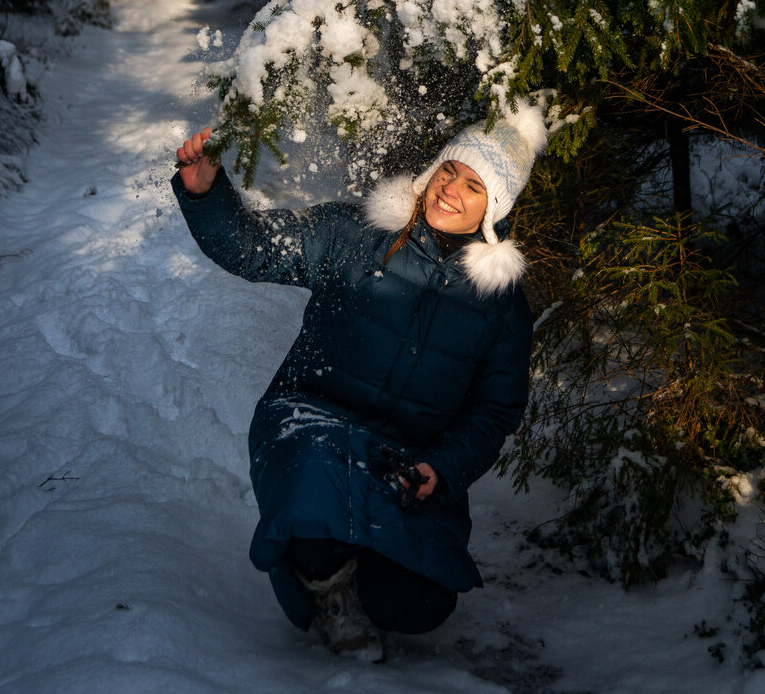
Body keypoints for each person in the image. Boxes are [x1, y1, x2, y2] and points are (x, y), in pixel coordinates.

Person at [171, 104, 546, 662]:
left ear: (496, 208)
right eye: (449, 171)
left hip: (406, 457)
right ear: (431, 171)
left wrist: (440, 468)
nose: (451, 191)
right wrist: (207, 194)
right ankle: (327, 586)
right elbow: (253, 247)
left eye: (474, 185)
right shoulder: (353, 233)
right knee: (314, 495)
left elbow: (496, 411)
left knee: (422, 605)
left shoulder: (501, 308)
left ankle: (342, 566)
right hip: (311, 419)